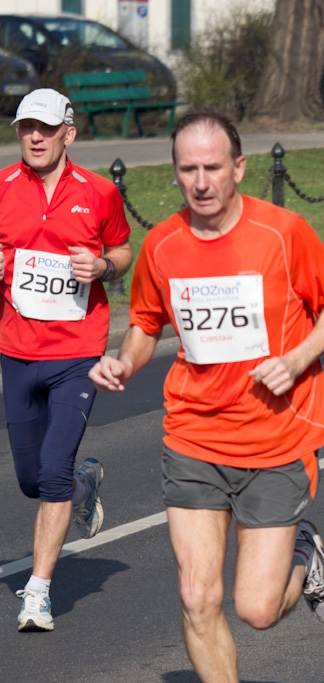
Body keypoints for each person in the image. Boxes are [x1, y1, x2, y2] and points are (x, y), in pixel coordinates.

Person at [89, 110, 324, 680]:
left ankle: (305, 560)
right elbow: (145, 322)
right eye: (188, 169)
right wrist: (124, 361)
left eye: (212, 167)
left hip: (276, 439)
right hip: (193, 434)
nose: (201, 181)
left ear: (239, 168)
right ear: (174, 173)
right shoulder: (163, 244)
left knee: (256, 610)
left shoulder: (282, 233)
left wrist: (296, 359)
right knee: (196, 598)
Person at [0, 88, 132, 632]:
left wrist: (102, 266)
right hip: (15, 350)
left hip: (77, 352)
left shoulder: (100, 193)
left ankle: (38, 591)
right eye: (26, 127)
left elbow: (124, 252)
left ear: (67, 135)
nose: (34, 136)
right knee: (34, 480)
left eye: (46, 129)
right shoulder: (3, 188)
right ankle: (83, 483)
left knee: (49, 473)